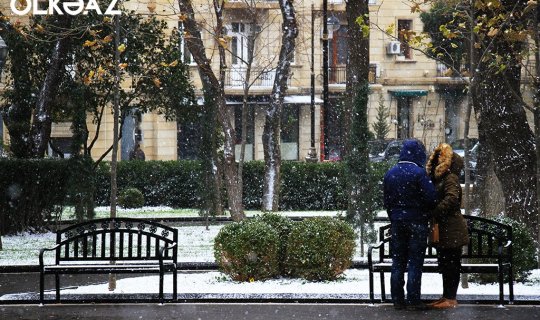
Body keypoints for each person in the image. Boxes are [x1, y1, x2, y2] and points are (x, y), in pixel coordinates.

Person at [383, 138, 438, 310]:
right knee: (415, 261)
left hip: (398, 222)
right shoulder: (419, 173)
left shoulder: (390, 173)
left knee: (398, 261)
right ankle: (413, 299)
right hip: (417, 221)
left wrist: (395, 217)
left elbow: (387, 201)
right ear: (418, 154)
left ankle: (397, 299)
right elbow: (432, 198)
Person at [425, 143, 470, 309]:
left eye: (440, 160)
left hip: (452, 229)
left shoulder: (450, 178)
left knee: (451, 264)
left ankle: (451, 298)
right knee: (446, 264)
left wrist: (435, 211)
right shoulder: (443, 178)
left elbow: (451, 199)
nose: (437, 163)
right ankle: (446, 296)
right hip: (446, 229)